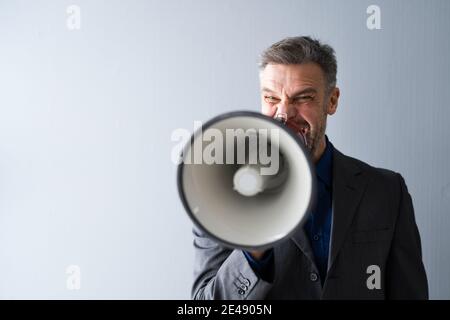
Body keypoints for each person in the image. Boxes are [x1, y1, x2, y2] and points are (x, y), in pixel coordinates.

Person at [191, 36, 428, 299]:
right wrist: (253, 246)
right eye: (271, 98)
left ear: (332, 101)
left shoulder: (387, 191)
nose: (284, 113)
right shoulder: (218, 196)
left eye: (302, 98)